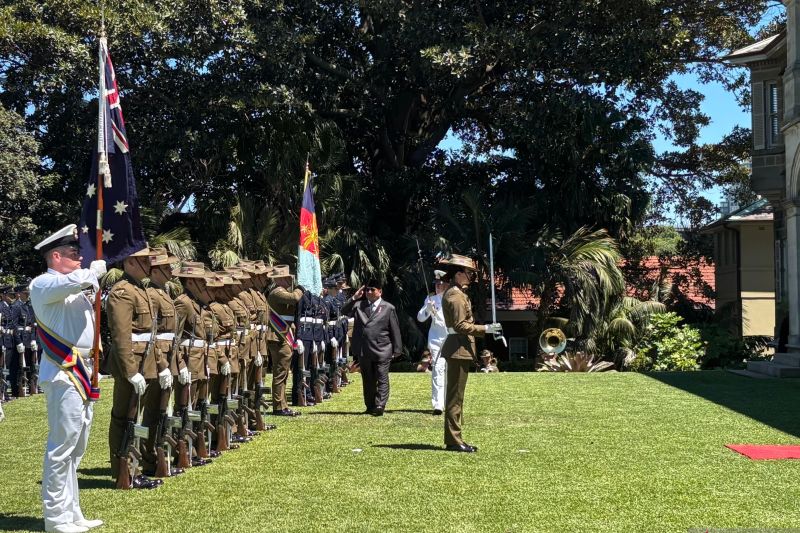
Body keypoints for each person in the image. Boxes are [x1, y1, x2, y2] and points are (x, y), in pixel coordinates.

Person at [30, 224, 106, 533]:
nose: (80, 258)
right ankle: (56, 518)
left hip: (83, 370)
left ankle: (73, 512)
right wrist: (91, 273)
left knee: (76, 450)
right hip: (63, 372)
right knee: (61, 448)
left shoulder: (73, 288)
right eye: (74, 254)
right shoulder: (43, 284)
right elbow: (73, 282)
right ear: (56, 256)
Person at [105, 247, 166, 489]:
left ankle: (134, 467)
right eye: (145, 262)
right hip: (132, 364)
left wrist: (159, 364)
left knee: (136, 417)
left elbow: (151, 335)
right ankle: (124, 471)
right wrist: (131, 371)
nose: (150, 266)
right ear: (130, 262)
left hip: (145, 362)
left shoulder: (140, 290)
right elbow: (121, 336)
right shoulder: (122, 292)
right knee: (124, 417)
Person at [438, 254, 502, 453]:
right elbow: (460, 325)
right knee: (455, 398)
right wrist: (486, 329)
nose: (471, 276)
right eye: (468, 272)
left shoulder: (458, 293)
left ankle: (456, 438)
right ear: (458, 274)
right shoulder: (455, 296)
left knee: (457, 397)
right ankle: (454, 440)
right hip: (457, 348)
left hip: (460, 348)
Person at [341, 278, 402, 416]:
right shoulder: (359, 305)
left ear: (379, 292)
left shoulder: (388, 308)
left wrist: (397, 349)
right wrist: (354, 297)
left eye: (372, 289)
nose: (368, 292)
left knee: (382, 377)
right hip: (364, 349)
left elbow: (395, 329)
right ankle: (370, 405)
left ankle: (380, 405)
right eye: (367, 290)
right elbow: (344, 311)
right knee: (368, 379)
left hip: (382, 348)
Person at [266, 265, 303, 416]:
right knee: (280, 372)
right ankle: (278, 406)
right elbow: (294, 298)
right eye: (286, 277)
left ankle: (282, 404)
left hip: (284, 333)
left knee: (284, 372)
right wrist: (301, 288)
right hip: (278, 336)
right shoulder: (277, 292)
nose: (289, 280)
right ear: (278, 279)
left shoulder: (282, 291)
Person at [416, 270, 450, 415]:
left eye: (440, 283)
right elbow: (420, 318)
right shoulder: (431, 298)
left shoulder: (452, 298)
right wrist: (427, 309)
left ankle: (449, 402)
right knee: (438, 369)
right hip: (436, 339)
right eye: (436, 283)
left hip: (451, 338)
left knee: (450, 370)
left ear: (447, 284)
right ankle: (438, 404)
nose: (437, 286)